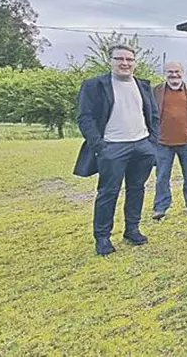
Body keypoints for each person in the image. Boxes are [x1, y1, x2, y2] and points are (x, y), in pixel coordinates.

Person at [73, 44, 159, 256]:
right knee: (108, 192)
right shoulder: (94, 85)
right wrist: (99, 146)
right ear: (110, 61)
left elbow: (153, 115)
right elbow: (85, 117)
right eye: (119, 59)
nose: (125, 63)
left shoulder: (143, 85)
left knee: (137, 189)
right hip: (112, 146)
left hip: (141, 146)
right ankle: (102, 237)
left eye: (129, 59)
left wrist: (152, 142)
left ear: (135, 63)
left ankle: (132, 230)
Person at [151, 62, 187, 220]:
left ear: (183, 73)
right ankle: (160, 208)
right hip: (162, 143)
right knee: (162, 177)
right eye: (170, 72)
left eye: (177, 71)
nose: (174, 75)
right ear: (164, 73)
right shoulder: (155, 91)